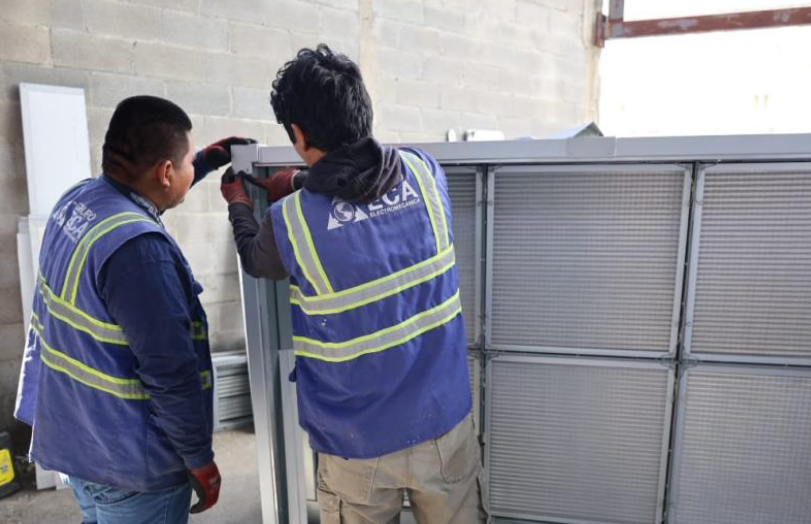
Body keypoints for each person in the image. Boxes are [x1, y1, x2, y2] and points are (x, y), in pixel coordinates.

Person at [221, 45, 490, 524]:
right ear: (363, 110)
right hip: (443, 426)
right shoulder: (425, 173)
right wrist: (303, 182)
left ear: (298, 133)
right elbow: (366, 191)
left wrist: (239, 202)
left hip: (356, 447)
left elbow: (255, 259)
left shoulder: (291, 223)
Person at [14, 95, 254, 524]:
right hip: (130, 465)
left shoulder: (79, 201)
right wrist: (199, 460)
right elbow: (170, 373)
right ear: (165, 172)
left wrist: (204, 161)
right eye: (187, 162)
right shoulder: (141, 254)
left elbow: (146, 189)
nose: (191, 167)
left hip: (77, 439)